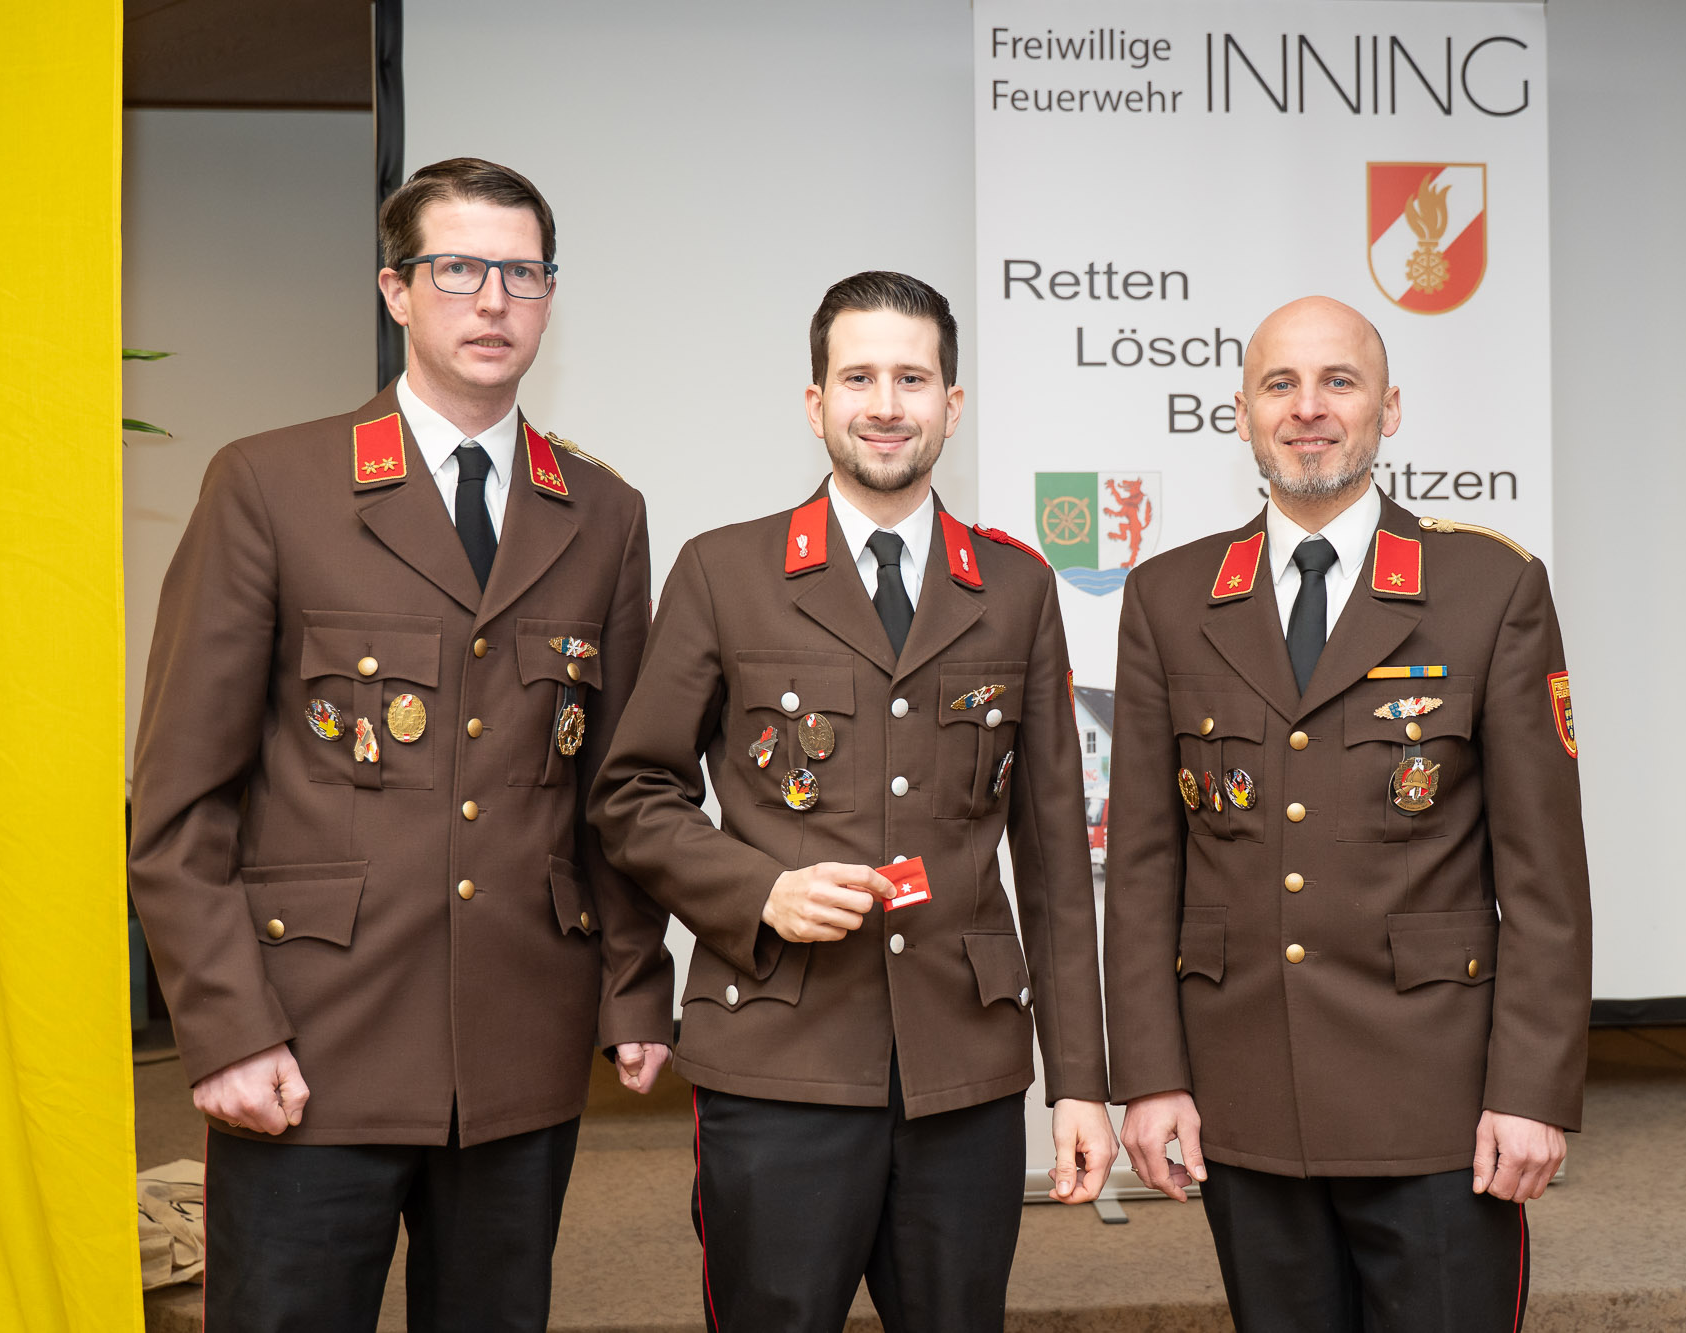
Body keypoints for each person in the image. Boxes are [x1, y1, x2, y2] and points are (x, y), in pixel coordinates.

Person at [127, 157, 674, 1332]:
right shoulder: (272, 484)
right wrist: (226, 1029)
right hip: (309, 1039)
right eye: (458, 269)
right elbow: (179, 801)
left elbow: (615, 792)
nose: (493, 301)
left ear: (549, 294)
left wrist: (635, 987)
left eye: (522, 274)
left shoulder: (601, 513)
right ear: (396, 290)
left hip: (518, 1041)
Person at [589, 271, 1117, 1332]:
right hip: (777, 1058)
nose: (885, 404)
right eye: (858, 377)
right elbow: (632, 792)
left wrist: (1079, 1082)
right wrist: (759, 890)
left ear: (951, 405)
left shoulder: (1015, 588)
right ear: (814, 401)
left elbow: (1055, 856)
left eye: (912, 379)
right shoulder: (724, 572)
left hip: (961, 1068)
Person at [1104, 295, 1591, 1331]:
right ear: (1241, 411)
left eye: (1339, 381)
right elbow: (1144, 868)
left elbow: (1544, 877)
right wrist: (1149, 1077)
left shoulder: (1488, 587)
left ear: (1388, 408)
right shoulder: (1168, 597)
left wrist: (1531, 1089)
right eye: (1279, 384)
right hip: (1244, 1097)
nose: (1308, 408)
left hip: (1437, 1105)